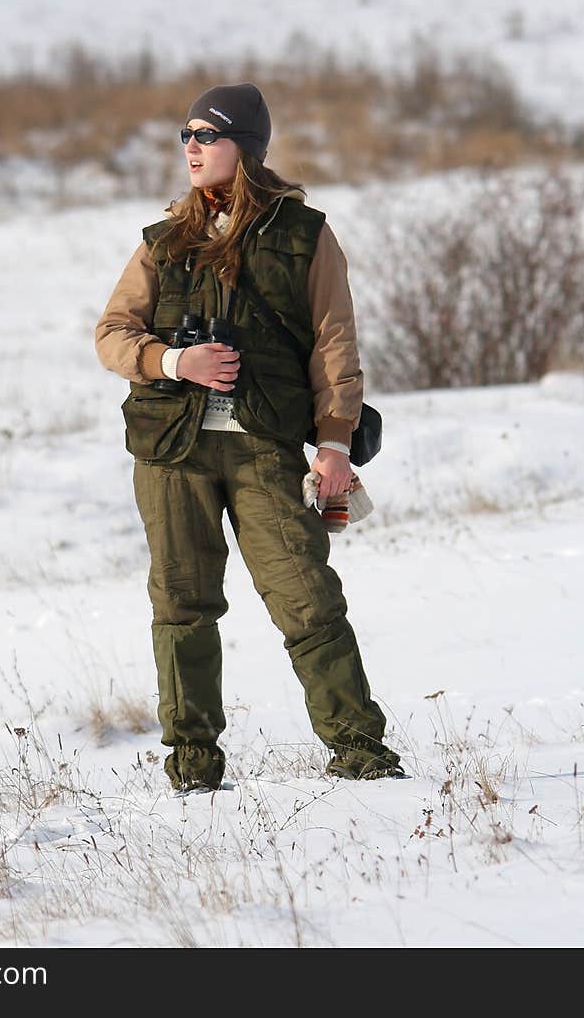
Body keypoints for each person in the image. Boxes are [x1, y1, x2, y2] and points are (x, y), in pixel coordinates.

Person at [94, 82, 403, 791]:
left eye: (208, 133)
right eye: (186, 135)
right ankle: (193, 764)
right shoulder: (165, 239)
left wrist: (332, 443)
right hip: (173, 451)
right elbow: (112, 334)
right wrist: (175, 361)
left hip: (264, 446)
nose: (192, 147)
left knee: (307, 595)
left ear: (247, 147)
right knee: (182, 602)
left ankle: (360, 749)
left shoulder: (303, 236)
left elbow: (335, 344)